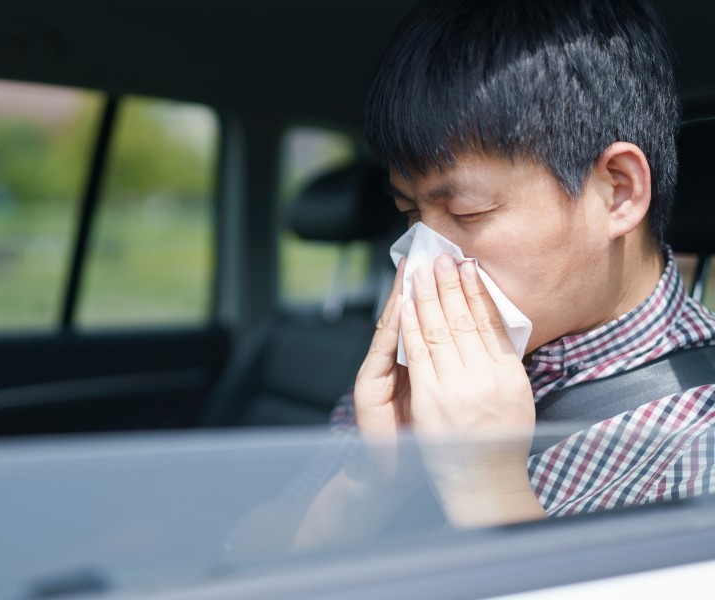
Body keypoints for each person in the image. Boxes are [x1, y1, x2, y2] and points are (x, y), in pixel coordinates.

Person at [227, 0, 715, 557]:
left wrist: (487, 486)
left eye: (467, 213)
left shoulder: (696, 441)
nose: (420, 261)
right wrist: (369, 486)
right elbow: (244, 560)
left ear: (618, 191)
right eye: (411, 216)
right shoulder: (416, 372)